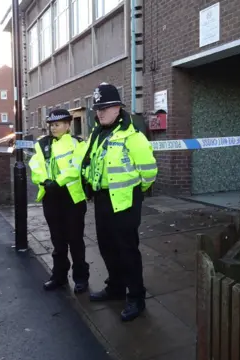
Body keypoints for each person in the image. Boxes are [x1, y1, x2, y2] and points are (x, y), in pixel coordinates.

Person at [80, 82, 158, 321]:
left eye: (105, 107)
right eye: (97, 108)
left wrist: (136, 192)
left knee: (127, 251)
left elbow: (149, 172)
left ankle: (136, 297)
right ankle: (115, 287)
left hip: (125, 201)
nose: (99, 112)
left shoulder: (133, 136)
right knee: (106, 247)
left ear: (118, 108)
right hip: (102, 199)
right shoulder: (97, 133)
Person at [28, 109, 90, 294]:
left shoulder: (78, 143)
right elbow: (36, 165)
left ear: (68, 125)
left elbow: (76, 167)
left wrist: (57, 182)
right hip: (51, 196)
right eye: (52, 124)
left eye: (58, 124)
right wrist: (44, 181)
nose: (54, 128)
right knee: (57, 240)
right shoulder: (42, 144)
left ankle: (81, 278)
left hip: (72, 197)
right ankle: (59, 276)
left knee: (75, 240)